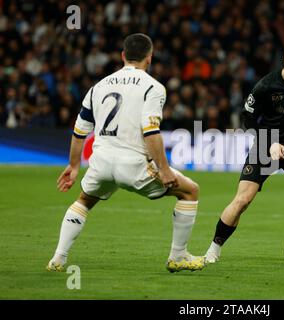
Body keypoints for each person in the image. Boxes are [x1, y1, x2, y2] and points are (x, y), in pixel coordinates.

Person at [47, 33, 205, 273]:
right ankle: (178, 256)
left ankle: (58, 259)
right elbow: (151, 132)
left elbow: (80, 130)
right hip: (133, 164)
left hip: (100, 162)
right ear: (149, 58)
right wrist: (163, 169)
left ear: (123, 56)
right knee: (190, 191)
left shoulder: (98, 87)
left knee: (84, 200)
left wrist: (74, 165)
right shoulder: (153, 87)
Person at [205, 37, 284, 263]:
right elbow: (248, 118)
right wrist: (270, 142)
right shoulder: (266, 85)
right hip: (267, 145)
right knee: (243, 200)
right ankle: (213, 248)